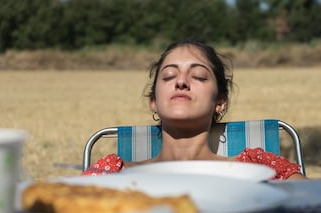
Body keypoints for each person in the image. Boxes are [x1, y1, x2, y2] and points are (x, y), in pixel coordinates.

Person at [82, 39, 305, 180]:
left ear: (220, 101)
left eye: (198, 76)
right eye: (169, 76)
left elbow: (320, 208)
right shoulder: (112, 172)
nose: (181, 82)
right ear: (154, 101)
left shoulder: (259, 168)